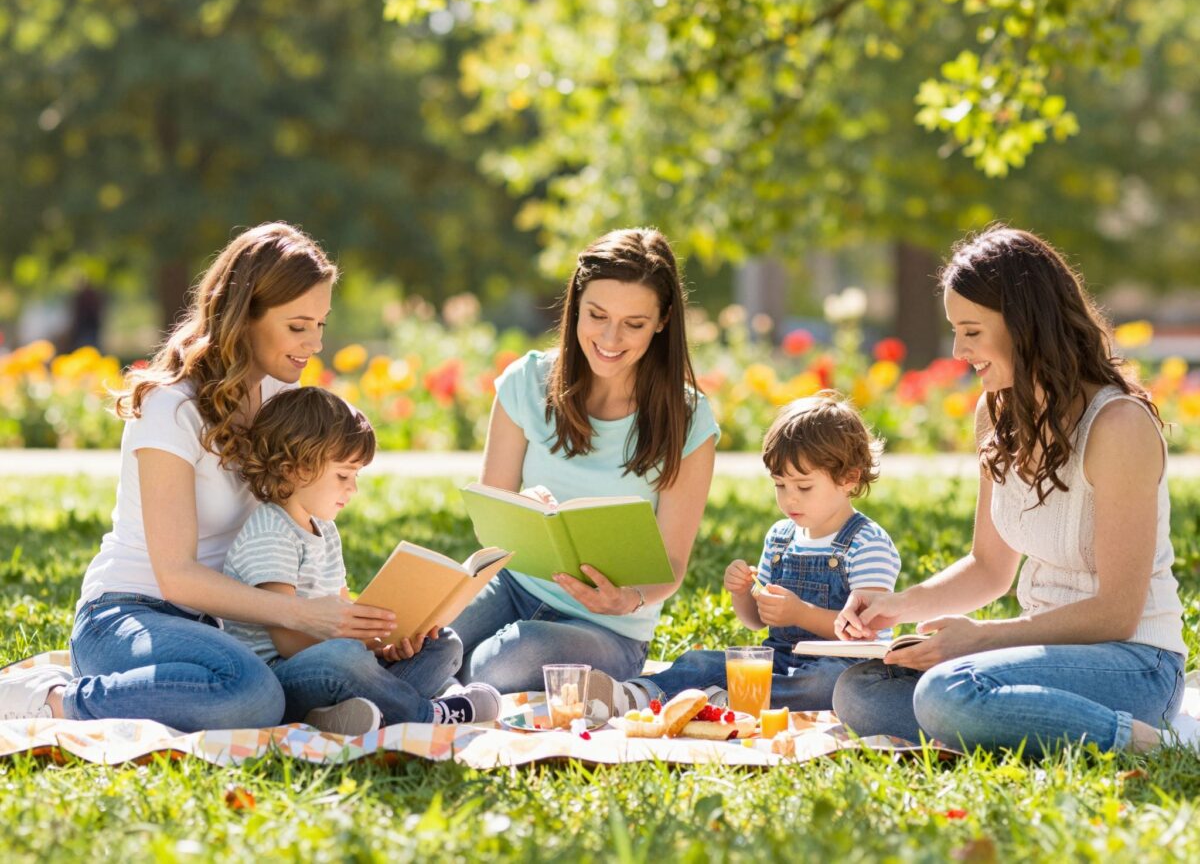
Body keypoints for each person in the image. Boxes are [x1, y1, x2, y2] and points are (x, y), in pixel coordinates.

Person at [0, 222, 398, 729]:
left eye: (320, 324)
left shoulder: (280, 403)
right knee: (248, 694)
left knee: (379, 662)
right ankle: (50, 700)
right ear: (243, 315)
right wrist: (302, 615)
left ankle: (316, 707)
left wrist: (364, 623)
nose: (315, 343)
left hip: (230, 628)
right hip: (131, 615)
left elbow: (301, 529)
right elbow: (177, 576)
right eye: (298, 326)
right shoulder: (172, 406)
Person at [831, 225, 1187, 754]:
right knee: (860, 692)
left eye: (972, 331)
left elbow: (1117, 612)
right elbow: (989, 568)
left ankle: (1144, 742)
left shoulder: (1118, 426)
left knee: (948, 691)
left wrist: (980, 640)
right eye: (955, 330)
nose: (958, 349)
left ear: (1025, 325)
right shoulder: (995, 414)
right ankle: (1001, 719)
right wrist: (894, 605)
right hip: (1036, 649)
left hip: (1134, 664)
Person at [450, 228, 720, 697]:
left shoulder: (688, 418)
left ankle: (442, 692)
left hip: (609, 627)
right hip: (514, 585)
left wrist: (627, 599)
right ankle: (440, 689)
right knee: (426, 636)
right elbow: (490, 522)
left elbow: (672, 565)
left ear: (662, 321)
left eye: (634, 324)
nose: (611, 338)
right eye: (596, 315)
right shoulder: (526, 382)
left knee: (503, 661)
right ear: (576, 304)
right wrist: (521, 509)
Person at [588, 391, 902, 715]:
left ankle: (729, 701)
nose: (789, 499)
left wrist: (800, 614)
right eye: (780, 485)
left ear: (849, 479)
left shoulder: (867, 543)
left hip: (845, 665)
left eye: (804, 487)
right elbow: (755, 621)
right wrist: (742, 593)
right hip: (779, 660)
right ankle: (637, 694)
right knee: (702, 661)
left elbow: (869, 630)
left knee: (825, 683)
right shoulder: (781, 538)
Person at [223, 386, 501, 732]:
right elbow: (289, 640)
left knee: (442, 645)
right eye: (343, 475)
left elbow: (343, 609)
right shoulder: (270, 531)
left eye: (356, 476)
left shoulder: (324, 528)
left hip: (340, 663)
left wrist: (385, 647)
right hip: (284, 676)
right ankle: (428, 714)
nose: (352, 489)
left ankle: (356, 713)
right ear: (294, 468)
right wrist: (361, 648)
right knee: (345, 658)